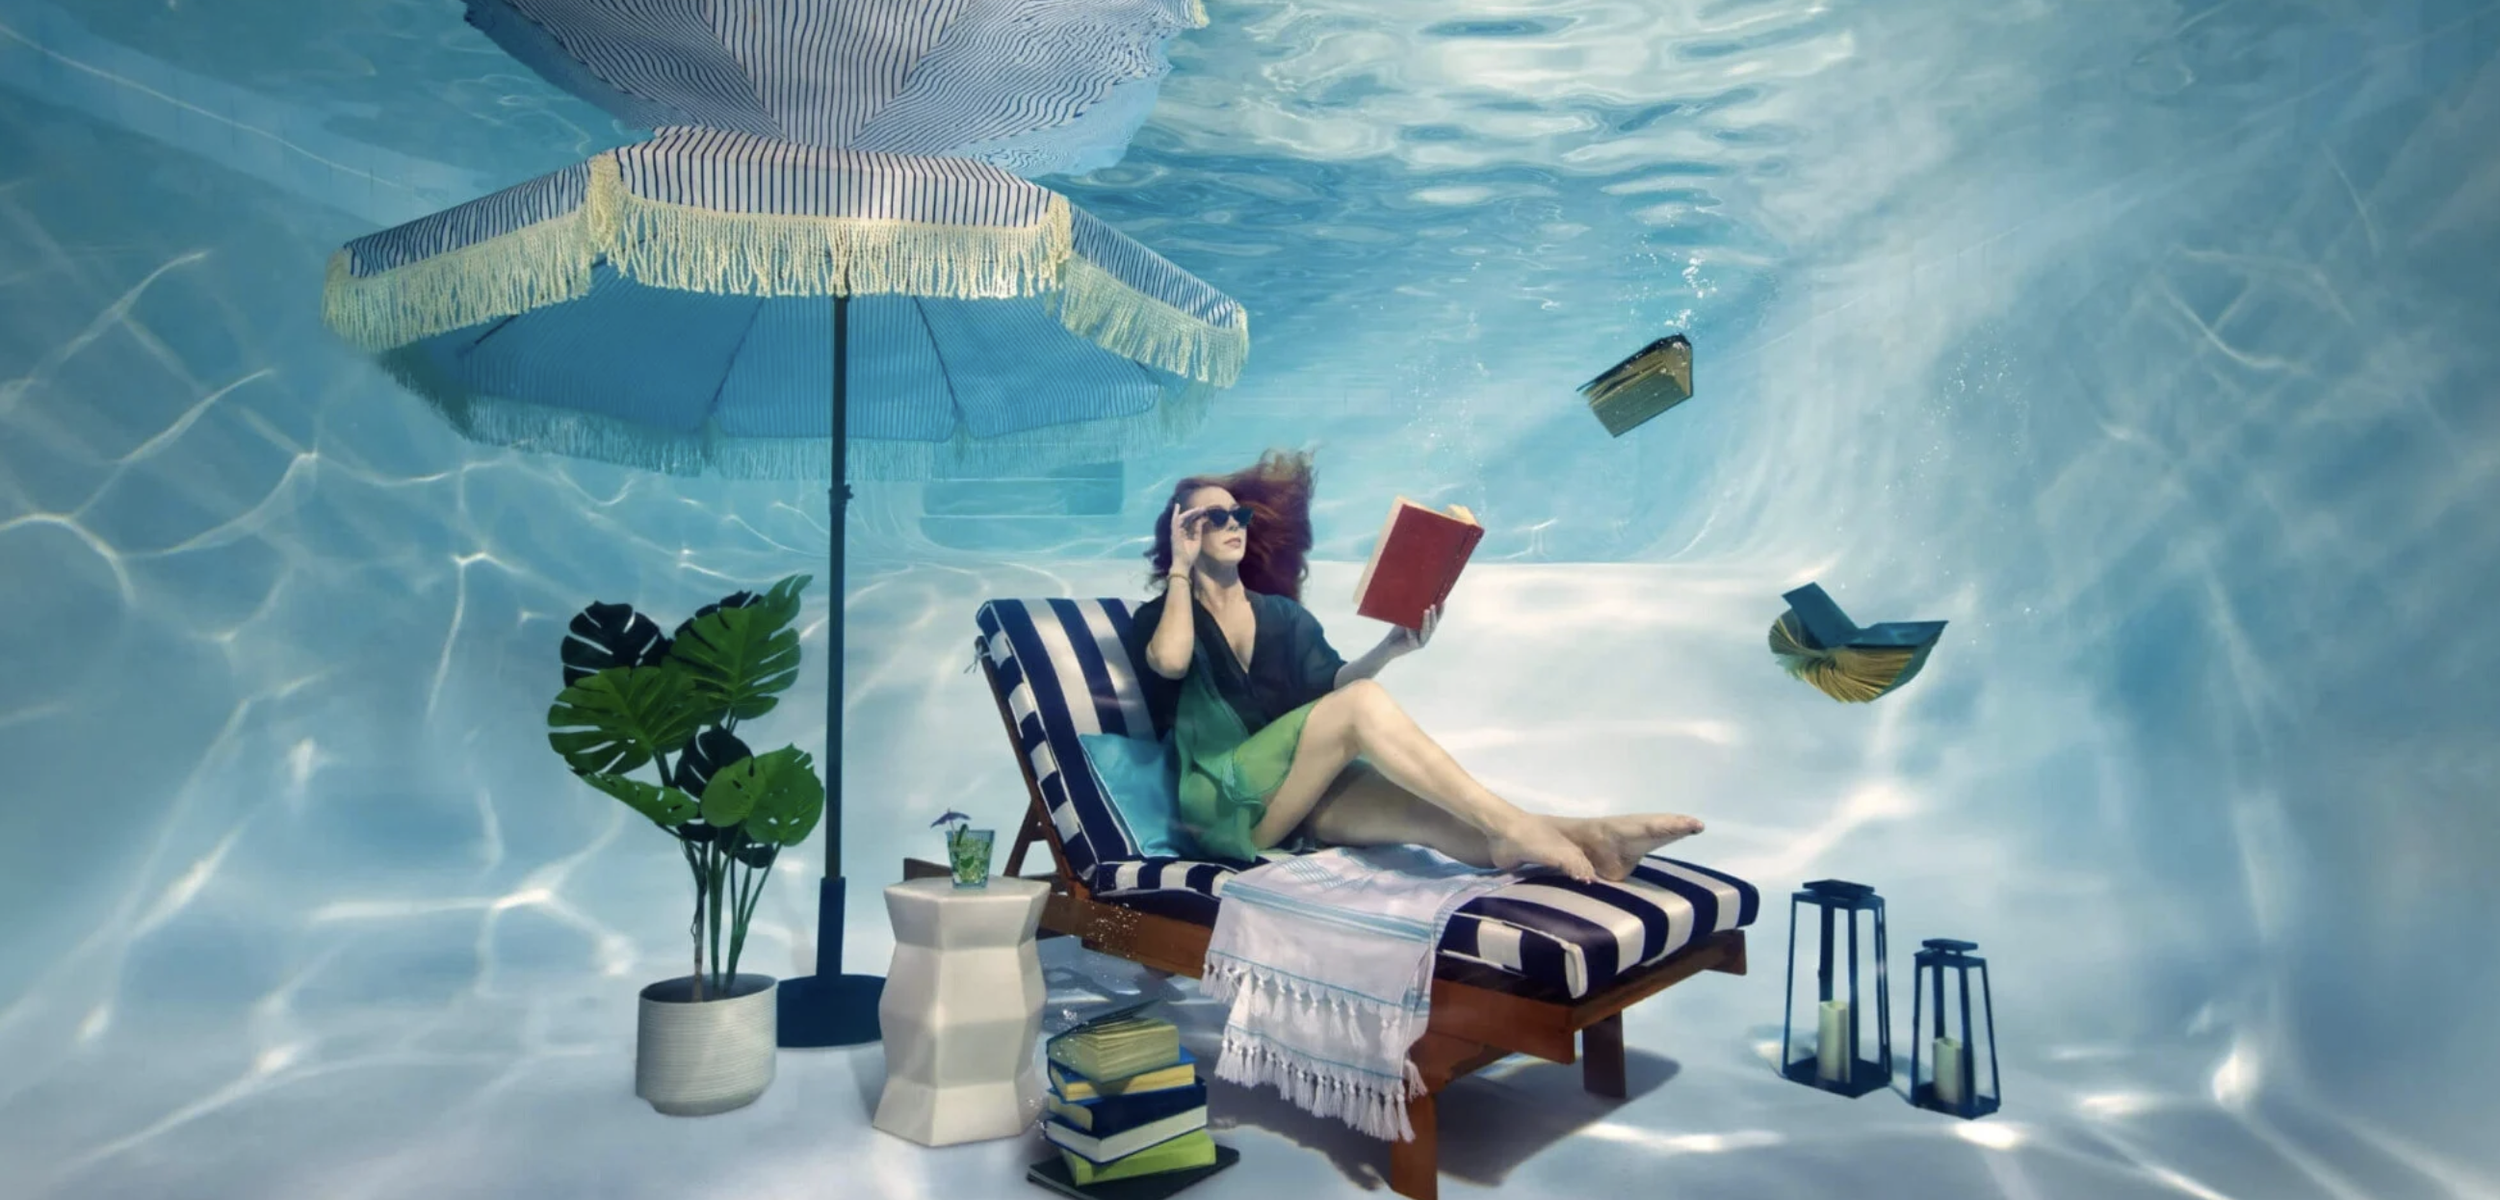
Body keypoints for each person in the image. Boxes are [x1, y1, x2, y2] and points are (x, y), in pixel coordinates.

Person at [1119, 449, 1704, 884]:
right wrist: (1178, 568)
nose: (1228, 527)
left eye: (1236, 516)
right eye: (1206, 521)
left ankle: (1594, 836)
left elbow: (1329, 686)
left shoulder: (1278, 616)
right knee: (1363, 708)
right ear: (1180, 535)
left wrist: (1393, 648)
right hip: (1220, 811)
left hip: (1286, 800)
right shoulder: (1164, 616)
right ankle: (1512, 824)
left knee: (1432, 817)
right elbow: (1170, 663)